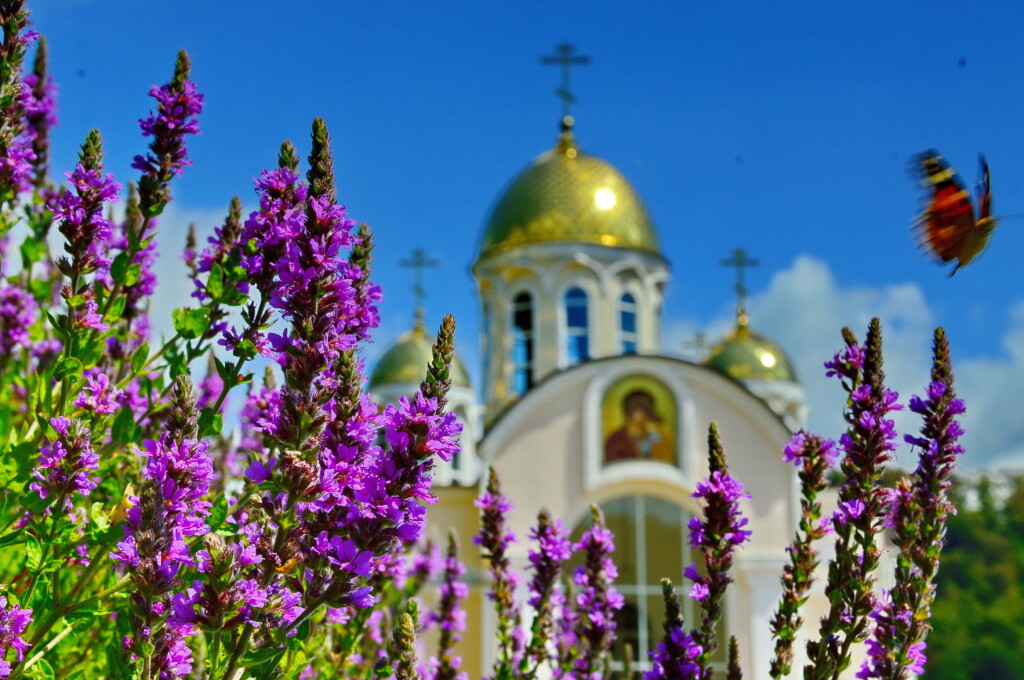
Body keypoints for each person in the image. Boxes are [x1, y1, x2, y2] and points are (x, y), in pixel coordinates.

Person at [603, 389, 673, 463]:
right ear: (628, 412)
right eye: (637, 411)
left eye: (645, 411)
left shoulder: (658, 435)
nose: (641, 416)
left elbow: (664, 461)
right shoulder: (616, 440)